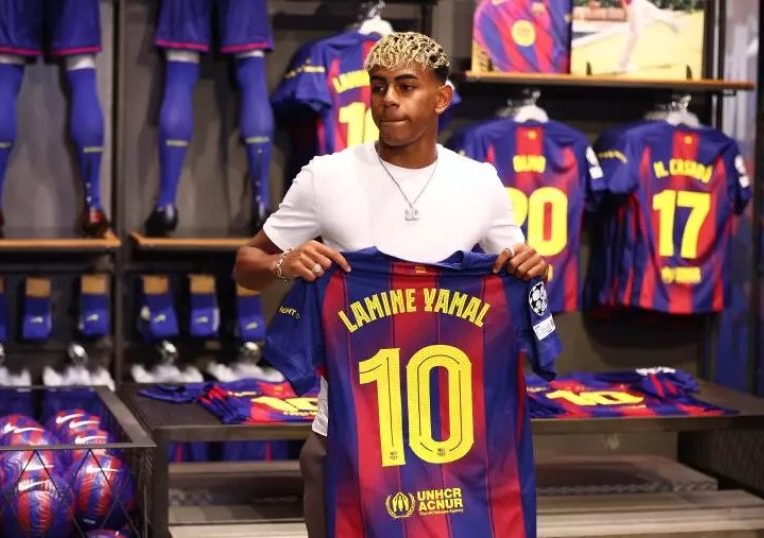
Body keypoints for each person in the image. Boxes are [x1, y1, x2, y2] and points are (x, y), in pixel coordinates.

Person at [233, 32, 549, 538]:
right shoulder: (326, 177)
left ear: (441, 98)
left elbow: (521, 269)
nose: (388, 100)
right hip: (346, 435)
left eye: (405, 86)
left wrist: (535, 266)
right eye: (378, 87)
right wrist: (283, 264)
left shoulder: (479, 183)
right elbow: (246, 265)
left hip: (454, 440)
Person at [618, 0, 681, 74]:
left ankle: (675, 25)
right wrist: (626, 12)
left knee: (656, 13)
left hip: (638, 2)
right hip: (632, 5)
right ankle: (623, 64)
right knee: (636, 33)